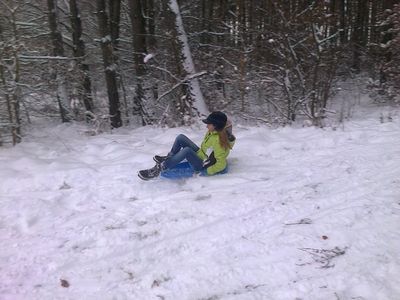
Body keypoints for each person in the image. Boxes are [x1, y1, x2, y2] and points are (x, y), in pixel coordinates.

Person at [138, 111, 236, 180]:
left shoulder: (219, 141)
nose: (206, 126)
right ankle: (170, 157)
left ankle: (161, 168)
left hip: (202, 164)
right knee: (181, 137)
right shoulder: (212, 132)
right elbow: (206, 150)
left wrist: (207, 171)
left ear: (216, 125)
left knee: (187, 151)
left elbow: (221, 164)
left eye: (209, 124)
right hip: (202, 155)